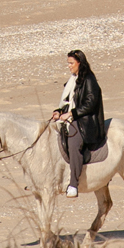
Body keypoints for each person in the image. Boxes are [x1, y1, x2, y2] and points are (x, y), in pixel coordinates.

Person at [52, 49, 105, 198]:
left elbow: (90, 103)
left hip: (86, 122)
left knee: (74, 143)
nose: (69, 66)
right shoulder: (72, 80)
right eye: (68, 63)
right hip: (73, 117)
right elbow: (68, 101)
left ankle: (73, 184)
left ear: (79, 63)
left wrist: (71, 114)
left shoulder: (89, 80)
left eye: (71, 63)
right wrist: (59, 111)